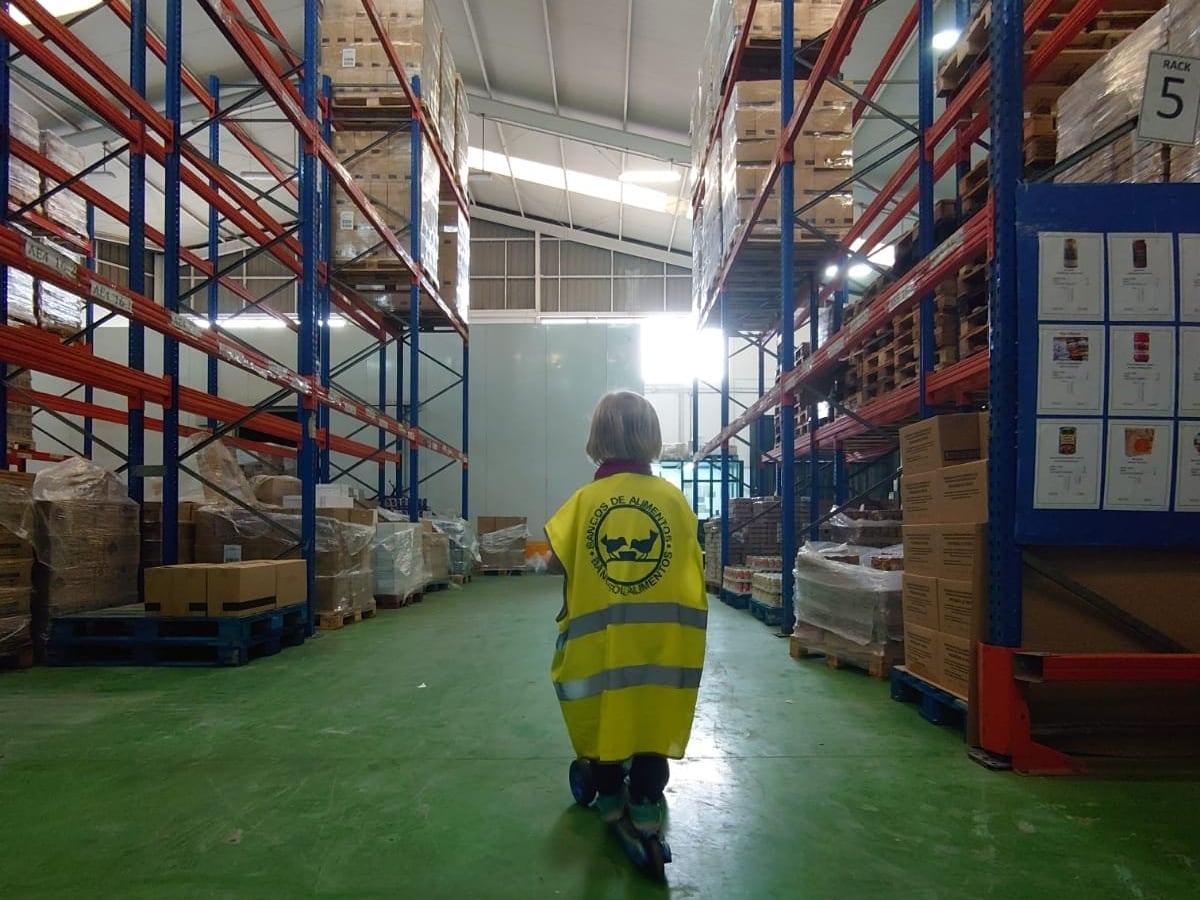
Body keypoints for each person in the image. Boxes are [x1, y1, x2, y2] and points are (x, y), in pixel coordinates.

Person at [545, 391, 708, 838]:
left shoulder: (584, 502)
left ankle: (611, 795)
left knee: (603, 720)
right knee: (653, 721)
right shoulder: (675, 502)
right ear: (652, 438)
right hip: (663, 649)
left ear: (596, 439)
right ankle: (646, 799)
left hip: (602, 650)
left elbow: (555, 561)